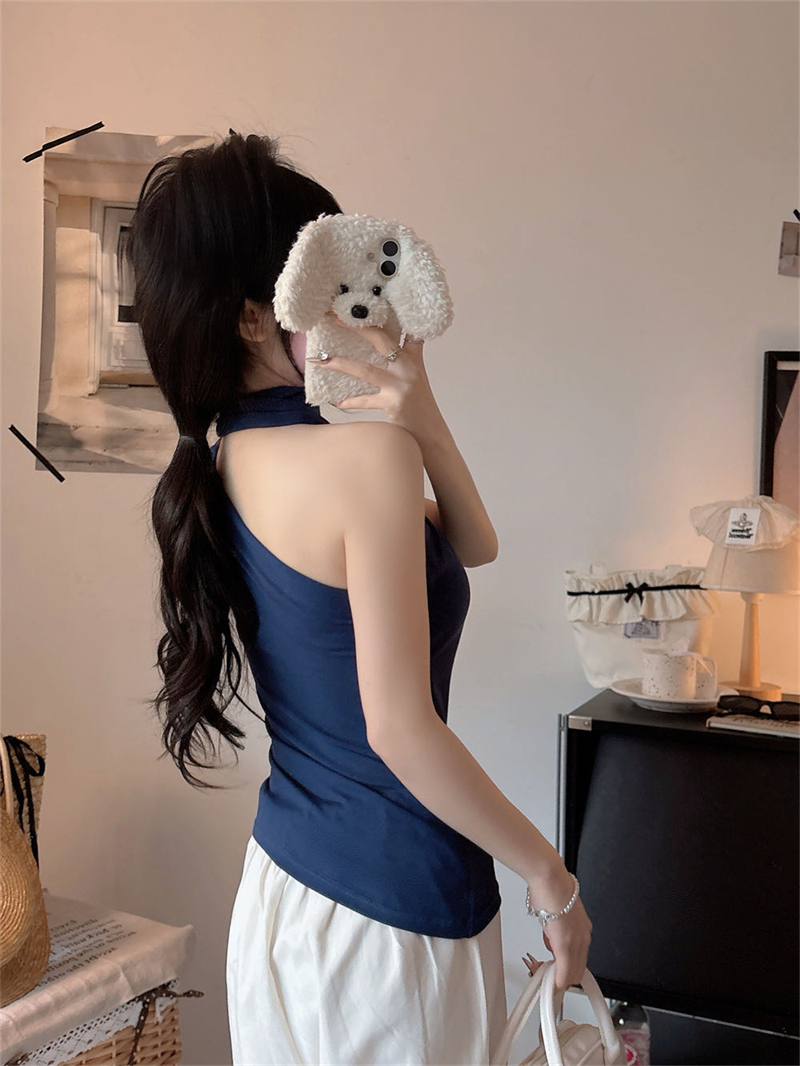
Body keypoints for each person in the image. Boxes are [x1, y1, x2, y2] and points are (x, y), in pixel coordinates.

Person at [125, 130, 592, 1066]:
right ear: (254, 318)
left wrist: (418, 411)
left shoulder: (231, 457)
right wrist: (553, 881)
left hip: (289, 898)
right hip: (391, 924)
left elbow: (473, 544)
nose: (355, 305)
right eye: (327, 281)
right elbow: (400, 731)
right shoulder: (359, 459)